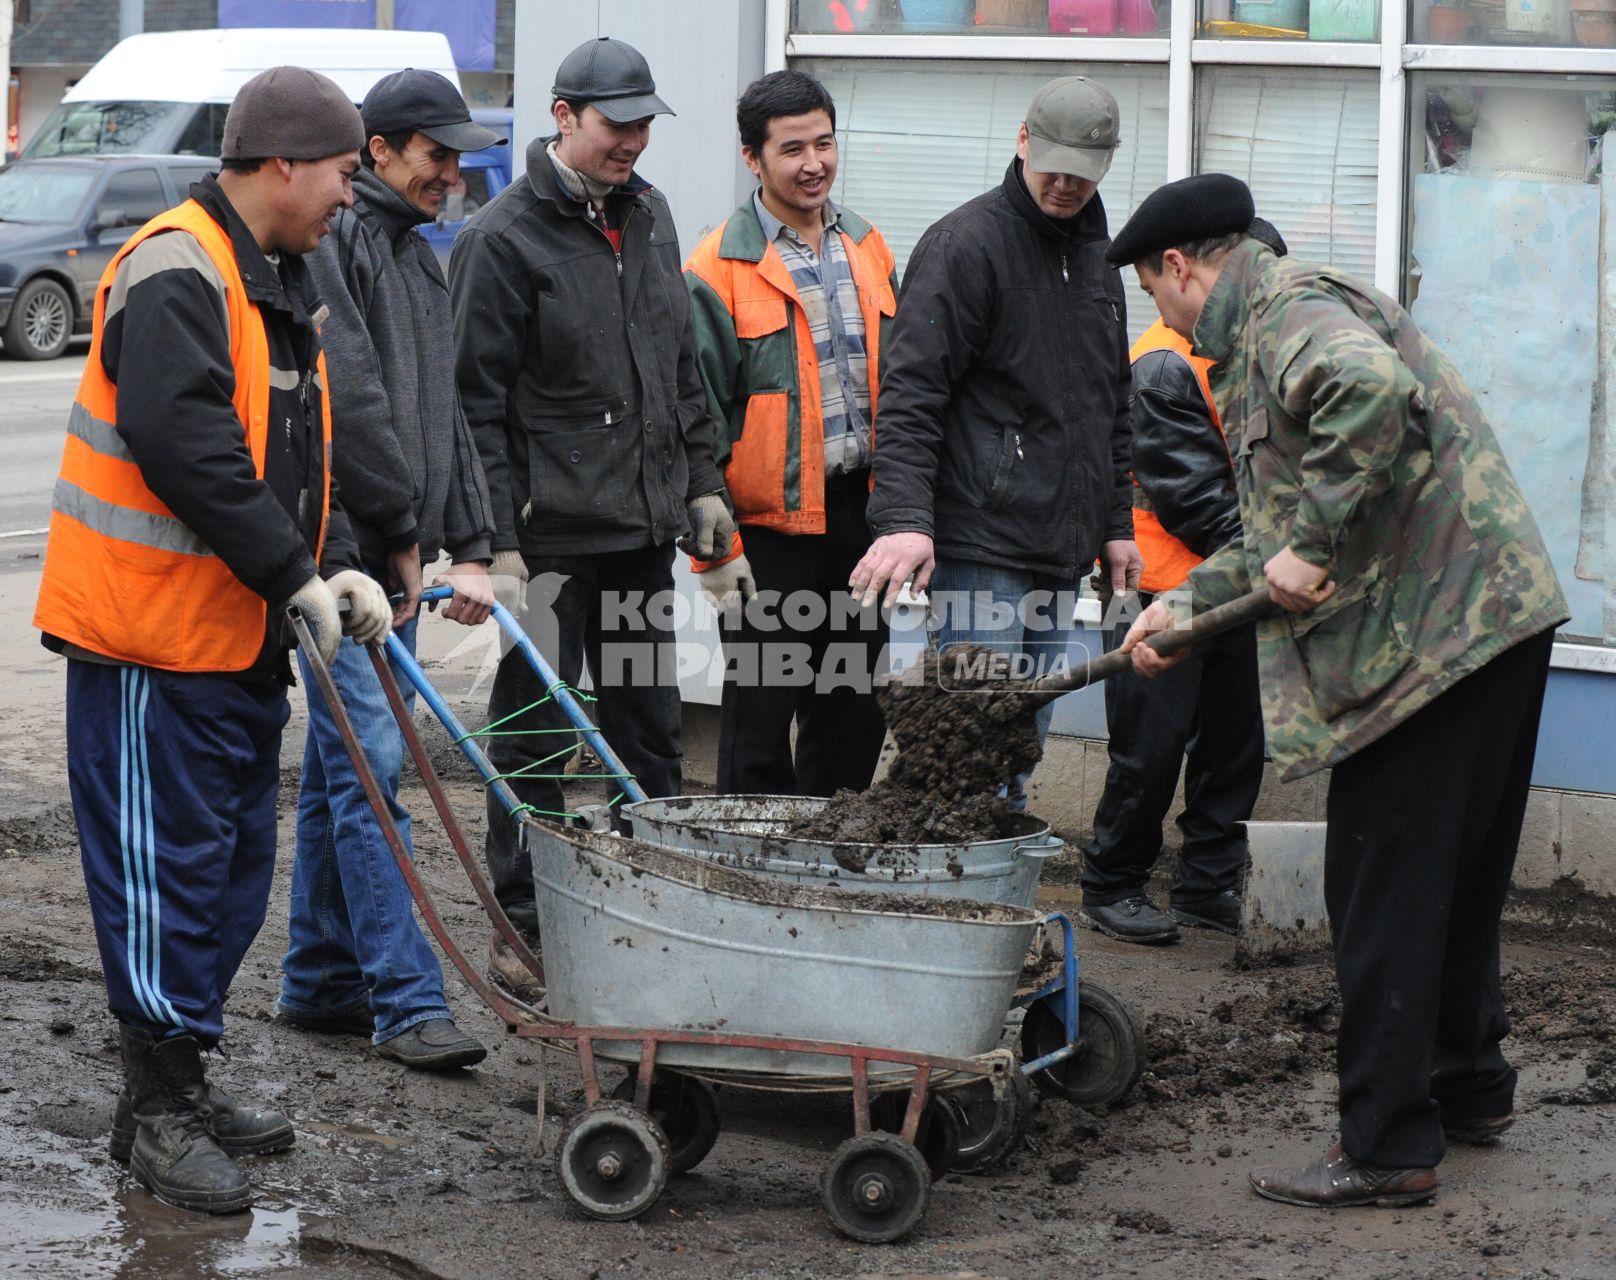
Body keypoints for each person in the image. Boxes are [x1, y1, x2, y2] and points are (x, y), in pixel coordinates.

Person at [1110, 173, 1568, 1207]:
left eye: (1152, 289)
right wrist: (1181, 610)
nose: (1160, 313)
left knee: (1380, 888)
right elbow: (1276, 536)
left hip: (1432, 640)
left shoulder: (1283, 316)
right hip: (1488, 614)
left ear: (1178, 269)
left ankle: (1385, 1142)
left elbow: (1365, 395)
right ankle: (1466, 1083)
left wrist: (1310, 539)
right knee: (1447, 879)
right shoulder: (1294, 304)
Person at [31, 67, 391, 1214]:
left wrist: (335, 557)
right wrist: (294, 572)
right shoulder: (177, 263)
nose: (351, 193)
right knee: (162, 881)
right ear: (282, 162)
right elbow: (186, 444)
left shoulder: (279, 272)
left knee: (230, 873)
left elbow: (290, 447)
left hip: (229, 642)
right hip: (149, 643)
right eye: (343, 171)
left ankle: (170, 1085)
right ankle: (161, 1109)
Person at [450, 37, 727, 996]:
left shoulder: (647, 216)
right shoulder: (502, 239)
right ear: (564, 115)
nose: (635, 142)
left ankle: (645, 902)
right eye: (619, 124)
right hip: (551, 547)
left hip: (641, 535)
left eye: (646, 124)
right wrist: (497, 548)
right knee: (533, 735)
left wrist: (703, 482)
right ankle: (520, 926)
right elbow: (472, 409)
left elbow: (679, 366)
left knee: (648, 728)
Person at [274, 69, 505, 1070]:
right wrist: (405, 532)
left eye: (456, 157)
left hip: (397, 555)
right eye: (433, 154)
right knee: (374, 773)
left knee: (343, 772)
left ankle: (319, 980)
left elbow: (442, 412)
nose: (451, 174)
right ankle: (408, 1002)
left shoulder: (418, 256)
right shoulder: (343, 246)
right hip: (348, 565)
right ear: (376, 152)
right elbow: (352, 403)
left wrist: (474, 537)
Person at [848, 76, 1140, 806]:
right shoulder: (965, 246)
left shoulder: (1101, 263)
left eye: (1084, 170)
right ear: (1021, 142)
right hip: (982, 545)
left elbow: (1111, 406)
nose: (1066, 183)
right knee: (971, 733)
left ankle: (989, 889)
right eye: (1053, 164)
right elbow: (912, 394)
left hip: (1059, 548)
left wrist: (1116, 525)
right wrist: (909, 521)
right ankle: (947, 898)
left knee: (1023, 737)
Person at [683, 69, 896, 796]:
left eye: (826, 143)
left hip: (859, 519)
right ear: (753, 158)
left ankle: (827, 860)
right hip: (765, 530)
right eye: (792, 148)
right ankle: (751, 871)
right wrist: (714, 548)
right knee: (760, 717)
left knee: (854, 709)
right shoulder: (718, 265)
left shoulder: (868, 246)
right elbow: (696, 415)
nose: (814, 163)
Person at [1078, 218, 1287, 944]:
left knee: (1234, 747)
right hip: (1159, 591)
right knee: (1149, 753)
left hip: (1234, 588)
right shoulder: (1165, 365)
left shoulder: (1246, 353)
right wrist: (1289, 552)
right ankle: (1111, 884)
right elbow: (1195, 498)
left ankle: (1207, 883)